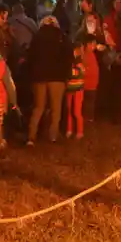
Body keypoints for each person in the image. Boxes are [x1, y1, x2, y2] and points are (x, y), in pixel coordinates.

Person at [25, 14, 71, 146]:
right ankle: (52, 136)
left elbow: (31, 57)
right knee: (56, 109)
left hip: (39, 77)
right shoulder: (62, 37)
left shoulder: (37, 37)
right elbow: (68, 57)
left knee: (38, 107)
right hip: (57, 77)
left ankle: (31, 137)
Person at [65, 43, 86, 140]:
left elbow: (78, 74)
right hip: (70, 89)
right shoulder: (70, 62)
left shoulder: (80, 63)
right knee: (69, 110)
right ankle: (69, 130)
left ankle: (80, 131)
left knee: (77, 111)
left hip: (78, 89)